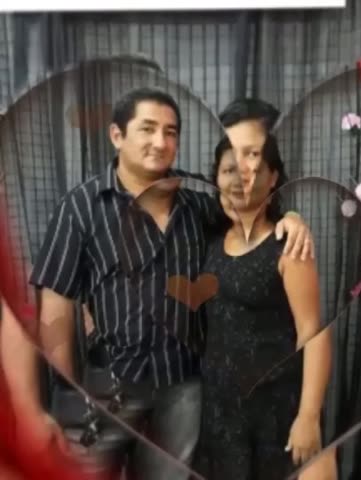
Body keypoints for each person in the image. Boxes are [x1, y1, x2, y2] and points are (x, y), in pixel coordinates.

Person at [3, 88, 314, 480]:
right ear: (117, 135)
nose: (160, 141)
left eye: (171, 132)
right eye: (147, 129)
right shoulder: (80, 208)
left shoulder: (199, 204)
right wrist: (67, 390)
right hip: (106, 386)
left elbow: (253, 214)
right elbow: (56, 306)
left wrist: (292, 218)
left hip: (182, 385)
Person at [195, 99, 336, 479]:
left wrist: (308, 417)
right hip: (221, 415)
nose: (241, 171)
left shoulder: (287, 244)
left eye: (252, 157)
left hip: (277, 411)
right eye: (229, 163)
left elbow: (313, 332)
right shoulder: (208, 235)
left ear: (273, 177)